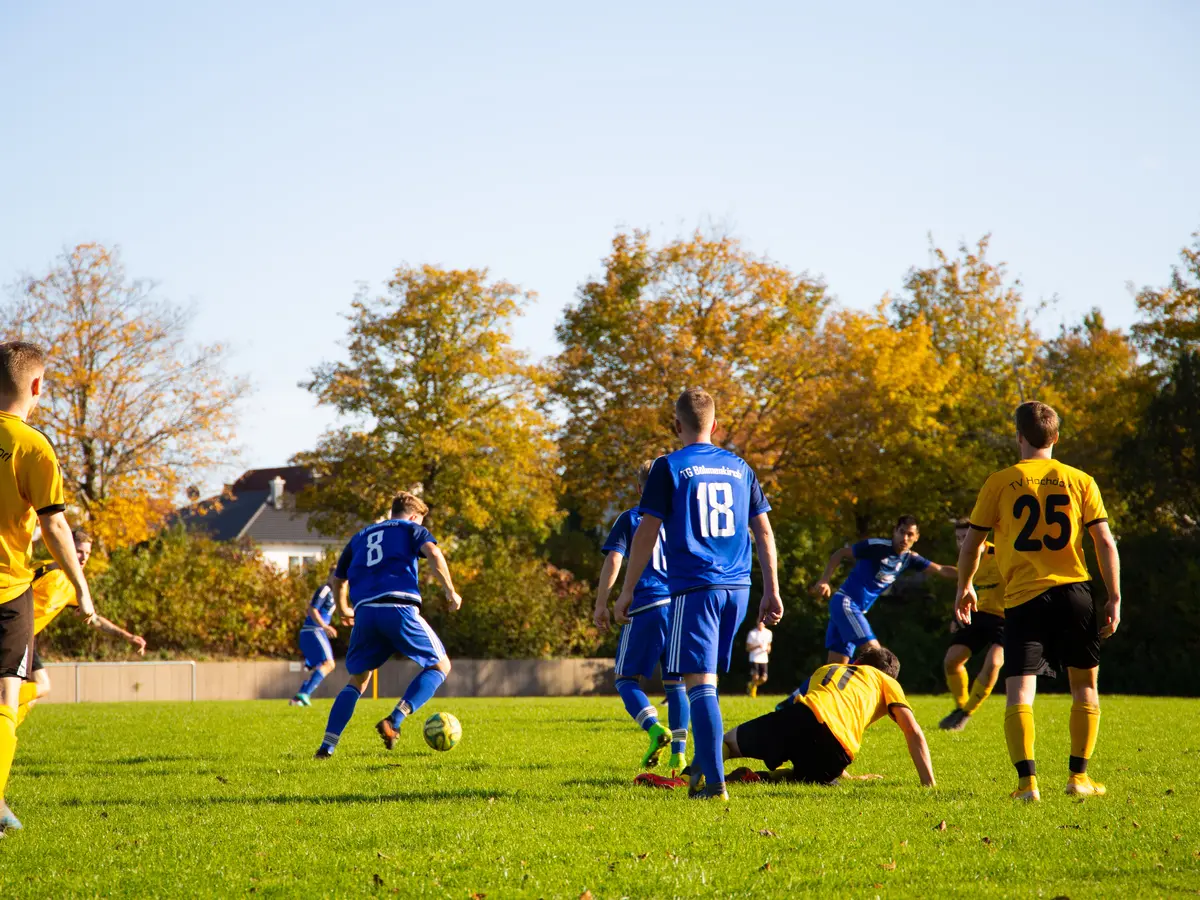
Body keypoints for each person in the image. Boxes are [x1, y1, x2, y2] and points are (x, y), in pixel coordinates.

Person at [615, 388, 783, 801]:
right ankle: (698, 777)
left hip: (696, 586)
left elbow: (646, 534)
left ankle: (713, 785)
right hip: (739, 589)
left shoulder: (668, 467)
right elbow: (763, 531)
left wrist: (627, 591)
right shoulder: (741, 467)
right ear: (716, 425)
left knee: (700, 685)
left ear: (677, 426)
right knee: (708, 681)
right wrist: (773, 590)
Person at [956, 401, 1121, 802]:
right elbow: (1103, 541)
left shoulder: (999, 481)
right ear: (1056, 437)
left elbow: (974, 544)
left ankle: (1027, 784)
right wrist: (1114, 596)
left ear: (1018, 436)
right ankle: (1078, 778)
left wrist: (965, 585)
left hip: (1024, 597)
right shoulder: (1080, 479)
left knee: (1019, 692)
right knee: (1084, 687)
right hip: (1075, 593)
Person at [0, 341, 96, 833]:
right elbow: (56, 527)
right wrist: (81, 587)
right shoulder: (32, 445)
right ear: (36, 386)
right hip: (6, 591)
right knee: (6, 698)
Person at [314, 492, 461, 759]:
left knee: (358, 680)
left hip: (365, 613)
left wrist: (344, 607)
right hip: (399, 607)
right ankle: (394, 720)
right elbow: (434, 552)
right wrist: (450, 590)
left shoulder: (360, 536)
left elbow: (338, 578)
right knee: (441, 665)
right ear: (415, 517)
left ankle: (327, 747)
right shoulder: (411, 529)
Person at [720, 646, 935, 787]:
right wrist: (928, 783)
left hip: (805, 717)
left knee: (728, 742)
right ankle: (757, 778)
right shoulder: (887, 682)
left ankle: (692, 777)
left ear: (857, 662)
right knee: (806, 777)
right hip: (837, 753)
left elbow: (815, 714)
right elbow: (912, 730)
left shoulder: (829, 669)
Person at [594, 460, 689, 773]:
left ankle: (653, 727)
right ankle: (679, 754)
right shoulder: (680, 519)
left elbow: (614, 560)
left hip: (646, 604)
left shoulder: (631, 518)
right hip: (680, 604)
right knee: (676, 683)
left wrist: (602, 603)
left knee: (625, 679)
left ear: (639, 489)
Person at [18, 529, 146, 725]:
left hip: (27, 638)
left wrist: (127, 637)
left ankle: (6, 728)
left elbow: (95, 620)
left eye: (87, 553)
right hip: (13, 631)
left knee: (40, 687)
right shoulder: (47, 569)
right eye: (79, 551)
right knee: (22, 688)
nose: (83, 557)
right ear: (67, 547)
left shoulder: (74, 586)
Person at [811, 516, 957, 666]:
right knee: (879, 657)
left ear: (917, 537)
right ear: (895, 532)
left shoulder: (909, 559)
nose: (905, 538)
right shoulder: (877, 547)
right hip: (846, 603)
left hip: (853, 610)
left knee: (835, 670)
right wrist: (824, 580)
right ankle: (876, 687)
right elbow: (840, 553)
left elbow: (942, 569)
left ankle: (805, 691)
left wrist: (971, 575)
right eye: (901, 532)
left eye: (910, 534)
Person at [938, 521, 1005, 731]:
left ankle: (967, 712)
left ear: (981, 535)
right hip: (978, 614)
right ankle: (960, 707)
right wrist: (954, 616)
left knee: (993, 663)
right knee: (951, 660)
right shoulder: (966, 558)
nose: (962, 542)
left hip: (1006, 617)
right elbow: (963, 587)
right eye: (958, 538)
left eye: (965, 537)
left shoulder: (1001, 553)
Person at [290, 573, 340, 707]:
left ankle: (297, 699)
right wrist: (324, 626)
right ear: (330, 576)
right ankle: (305, 693)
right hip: (314, 630)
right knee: (329, 664)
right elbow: (312, 609)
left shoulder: (336, 593)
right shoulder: (326, 589)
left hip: (316, 631)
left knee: (323, 665)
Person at [745, 620, 772, 698]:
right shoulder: (752, 633)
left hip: (763, 658)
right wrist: (757, 646)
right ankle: (753, 693)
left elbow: (769, 645)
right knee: (755, 676)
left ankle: (751, 685)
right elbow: (747, 648)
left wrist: (768, 649)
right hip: (754, 658)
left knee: (764, 678)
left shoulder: (768, 633)